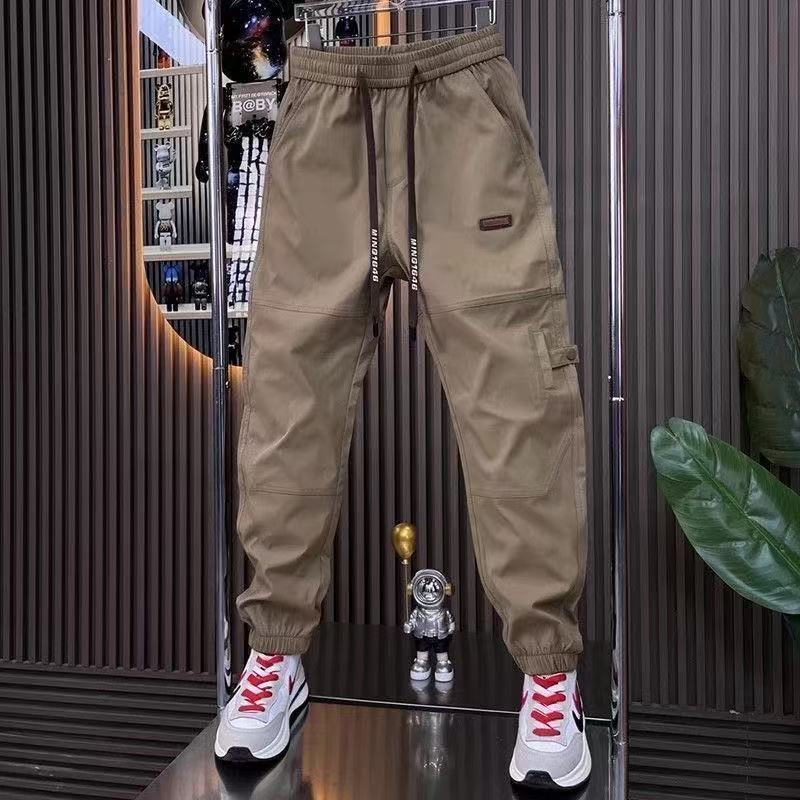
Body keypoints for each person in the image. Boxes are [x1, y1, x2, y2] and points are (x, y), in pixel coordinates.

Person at [214, 24, 591, 791]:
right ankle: (276, 653)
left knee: (515, 392)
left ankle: (550, 674)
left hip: (460, 102)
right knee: (290, 398)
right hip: (323, 109)